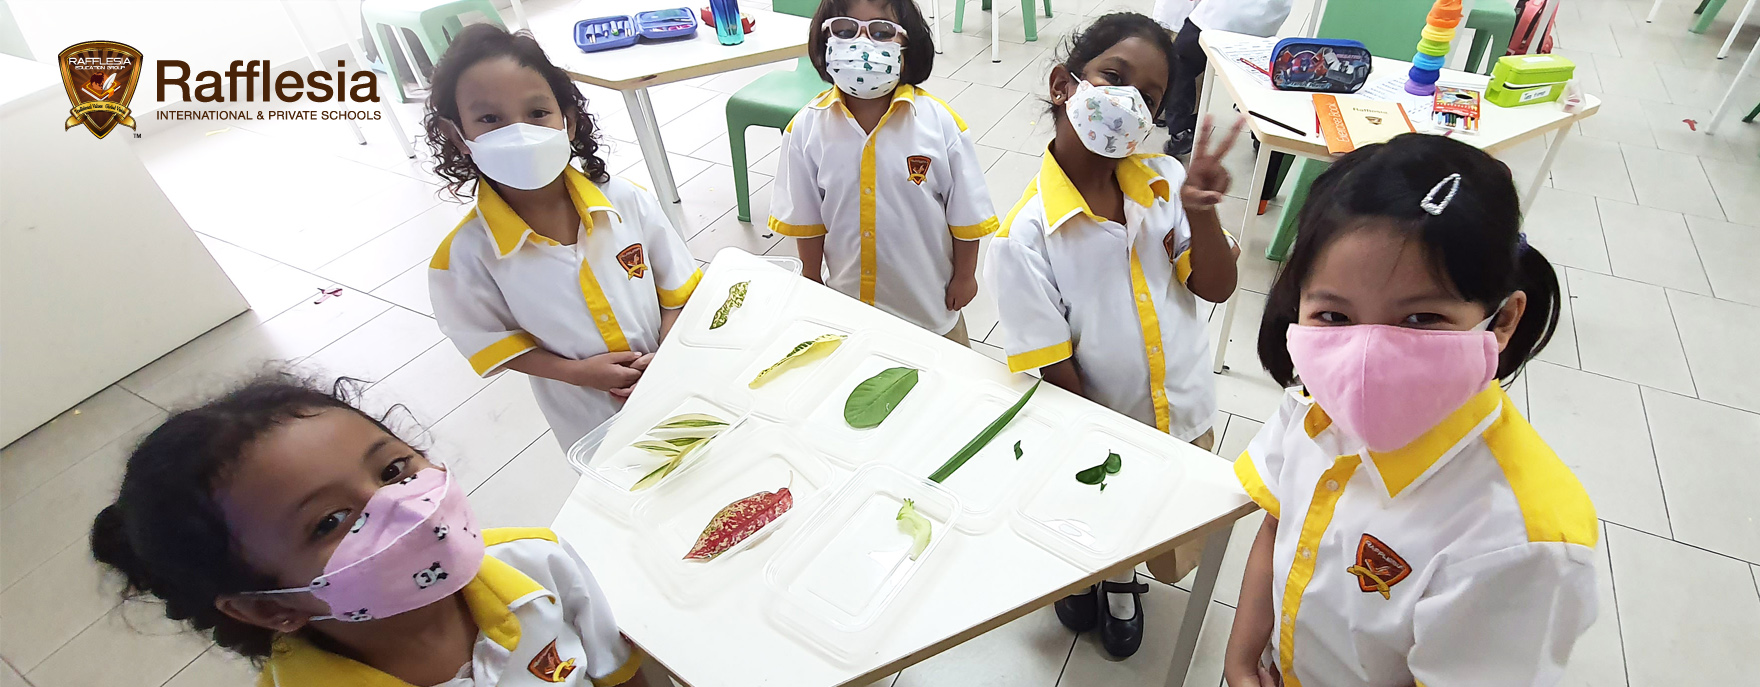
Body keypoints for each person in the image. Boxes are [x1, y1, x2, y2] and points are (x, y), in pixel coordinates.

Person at [1225, 134, 1596, 686]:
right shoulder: (1312, 409)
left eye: (1421, 319)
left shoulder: (1522, 543)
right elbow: (1278, 524)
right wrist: (1239, 659)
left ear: (1502, 320)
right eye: (1333, 317)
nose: (1366, 361)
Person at [89, 374, 649, 686]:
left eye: (392, 470)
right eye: (330, 522)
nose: (399, 508)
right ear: (266, 607)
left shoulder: (536, 563)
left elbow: (617, 672)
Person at [985, 11, 1242, 659]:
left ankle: (1122, 580)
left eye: (1149, 96)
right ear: (1063, 85)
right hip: (1097, 428)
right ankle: (1090, 572)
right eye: (1113, 76)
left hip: (1180, 411)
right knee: (1097, 512)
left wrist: (1201, 217)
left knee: (1151, 525)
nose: (1128, 101)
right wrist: (1096, 442)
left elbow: (1215, 286)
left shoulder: (1166, 186)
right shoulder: (1026, 236)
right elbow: (1054, 367)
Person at [425, 24, 700, 451]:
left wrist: (666, 348)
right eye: (490, 119)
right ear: (457, 136)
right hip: (588, 413)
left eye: (537, 114)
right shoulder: (465, 256)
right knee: (626, 486)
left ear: (568, 121)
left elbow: (677, 289)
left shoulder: (626, 202)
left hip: (675, 378)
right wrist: (577, 373)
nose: (518, 132)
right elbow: (490, 341)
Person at [768, 0, 998, 344]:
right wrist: (812, 279)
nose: (863, 44)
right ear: (825, 40)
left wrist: (965, 276)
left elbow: (965, 214)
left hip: (928, 308)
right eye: (845, 30)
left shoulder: (939, 125)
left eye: (882, 31)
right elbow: (807, 219)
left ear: (908, 46)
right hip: (846, 306)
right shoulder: (806, 128)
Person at [1163, 0, 1296, 156]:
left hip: (1222, 15)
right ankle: (1260, 132)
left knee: (1181, 62)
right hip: (1267, 21)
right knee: (1254, 74)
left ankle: (1180, 131)